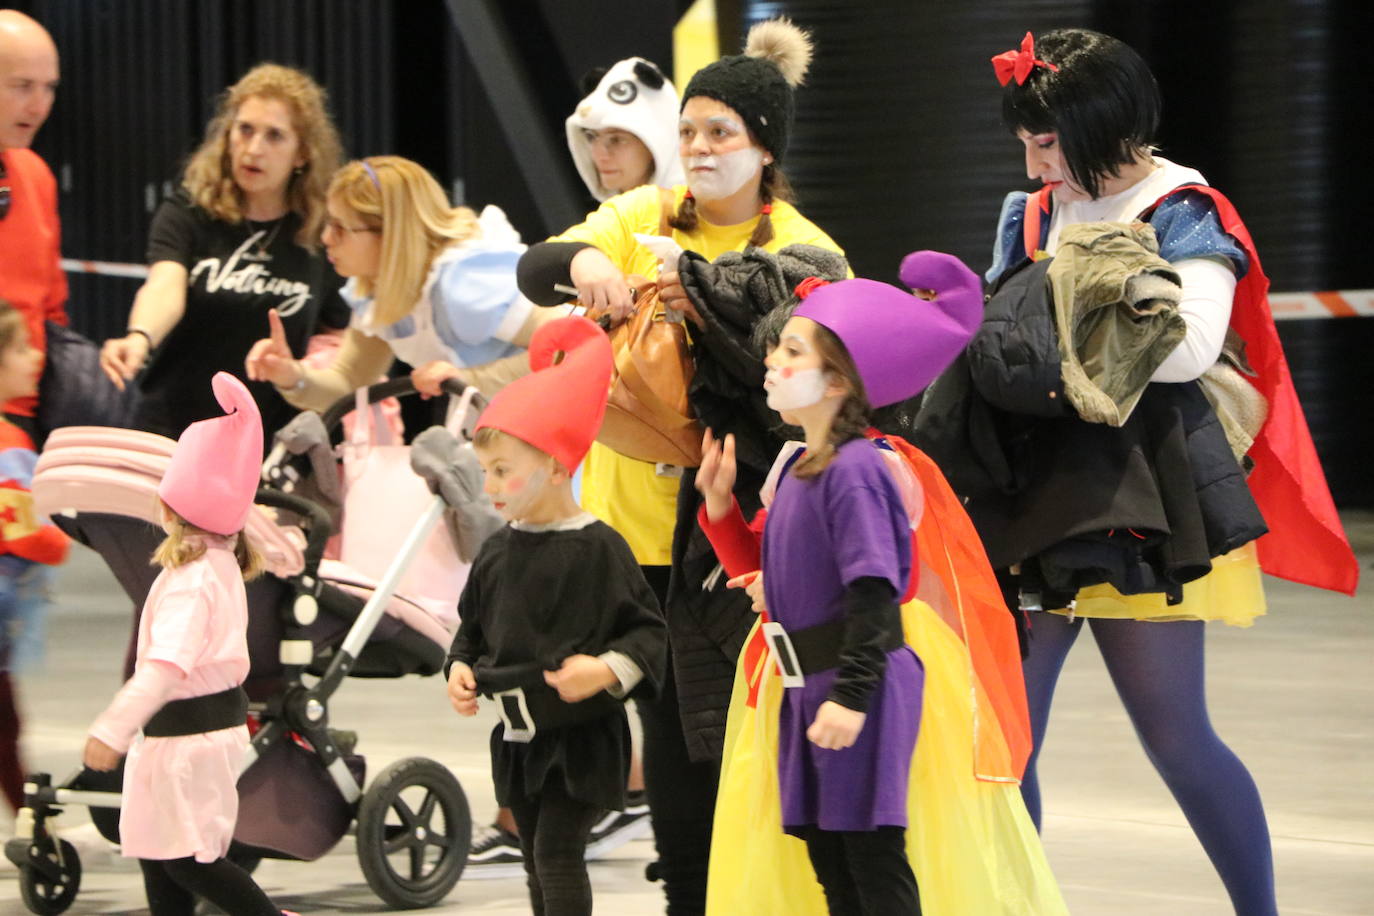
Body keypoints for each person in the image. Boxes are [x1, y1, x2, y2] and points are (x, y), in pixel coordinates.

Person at [923, 29, 1358, 916]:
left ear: (1104, 127)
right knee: (1007, 741)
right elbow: (1003, 331)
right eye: (1026, 140)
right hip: (1030, 493)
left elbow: (1191, 348)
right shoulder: (1031, 210)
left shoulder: (1183, 204)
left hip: (1141, 499)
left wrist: (1055, 330)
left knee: (1175, 736)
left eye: (1049, 141)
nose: (1035, 158)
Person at [516, 20, 843, 911]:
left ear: (764, 148)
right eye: (690, 130)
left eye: (720, 133)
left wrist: (704, 308)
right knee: (669, 743)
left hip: (747, 538)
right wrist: (587, 259)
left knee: (747, 740)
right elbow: (537, 265)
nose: (697, 149)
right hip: (634, 534)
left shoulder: (805, 248)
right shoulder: (640, 215)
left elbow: (827, 392)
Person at [470, 54, 685, 877]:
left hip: (681, 508)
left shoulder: (666, 240)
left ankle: (676, 834)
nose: (602, 153)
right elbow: (554, 343)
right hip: (608, 495)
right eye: (592, 138)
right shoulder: (596, 240)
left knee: (669, 698)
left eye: (621, 139)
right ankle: (649, 825)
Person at [445, 314, 667, 916]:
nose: (489, 486)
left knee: (557, 853)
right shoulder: (497, 548)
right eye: (485, 471)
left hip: (582, 740)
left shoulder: (598, 547)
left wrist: (606, 669)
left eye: (502, 470)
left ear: (555, 468)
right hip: (520, 737)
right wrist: (460, 669)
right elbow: (472, 627)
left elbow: (649, 631)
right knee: (534, 857)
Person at [83, 372, 294, 916]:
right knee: (160, 856)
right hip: (190, 737)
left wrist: (113, 727)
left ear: (174, 507)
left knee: (188, 859)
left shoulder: (192, 580)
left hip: (188, 743)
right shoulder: (217, 564)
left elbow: (164, 666)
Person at [99, 62, 349, 446]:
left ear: (302, 154)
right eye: (245, 129)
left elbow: (339, 338)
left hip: (270, 443)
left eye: (274, 136)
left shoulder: (321, 233)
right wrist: (139, 338)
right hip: (174, 430)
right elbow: (165, 286)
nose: (253, 149)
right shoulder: (189, 211)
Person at [245, 155, 561, 408]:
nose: (326, 238)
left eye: (342, 227)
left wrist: (468, 378)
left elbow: (575, 347)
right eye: (329, 223)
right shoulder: (378, 288)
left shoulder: (465, 286)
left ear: (392, 235)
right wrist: (291, 375)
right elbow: (348, 383)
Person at [0, 301, 69, 823]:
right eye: (20, 347)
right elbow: (22, 532)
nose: (34, 356)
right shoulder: (9, 441)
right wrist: (59, 539)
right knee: (5, 726)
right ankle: (31, 821)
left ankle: (28, 816)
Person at [0, 10, 65, 434]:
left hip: (27, 417)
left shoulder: (34, 173)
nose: (39, 106)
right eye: (22, 87)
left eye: (49, 88)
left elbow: (52, 308)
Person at [566, 56, 684, 201]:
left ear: (660, 142)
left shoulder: (706, 215)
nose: (599, 155)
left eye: (616, 139)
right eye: (591, 137)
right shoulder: (607, 221)